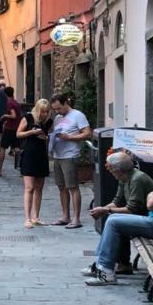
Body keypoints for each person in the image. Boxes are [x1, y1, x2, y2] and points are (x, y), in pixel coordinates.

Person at [89, 151, 153, 275]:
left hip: (151, 220)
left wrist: (106, 210)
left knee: (114, 221)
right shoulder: (124, 178)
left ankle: (105, 269)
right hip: (147, 219)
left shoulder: (137, 179)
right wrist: (103, 209)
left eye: (110, 167)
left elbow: (132, 209)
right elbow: (117, 201)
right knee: (113, 218)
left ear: (118, 169)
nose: (108, 170)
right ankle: (109, 264)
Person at [83, 188, 153, 286]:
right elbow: (152, 198)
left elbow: (151, 203)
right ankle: (100, 264)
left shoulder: (137, 178)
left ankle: (106, 272)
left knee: (113, 223)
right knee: (112, 218)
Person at [50, 93, 92, 228]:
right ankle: (65, 216)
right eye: (55, 109)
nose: (57, 111)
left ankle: (76, 218)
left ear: (65, 103)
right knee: (61, 187)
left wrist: (69, 137)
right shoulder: (58, 118)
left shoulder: (78, 115)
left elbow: (87, 133)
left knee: (73, 187)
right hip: (58, 155)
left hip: (70, 155)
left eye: (59, 108)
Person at [17, 98, 52, 228]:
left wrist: (46, 137)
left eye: (46, 112)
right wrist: (32, 132)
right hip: (29, 155)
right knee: (29, 187)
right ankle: (27, 218)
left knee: (39, 188)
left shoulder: (49, 122)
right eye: (42, 111)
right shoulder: (28, 118)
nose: (44, 114)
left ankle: (36, 216)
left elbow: (49, 136)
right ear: (37, 109)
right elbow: (18, 134)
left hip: (41, 155)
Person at [0, 86, 21, 176]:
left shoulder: (9, 103)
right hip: (16, 127)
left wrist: (5, 116)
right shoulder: (16, 102)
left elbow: (13, 115)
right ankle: (24, 168)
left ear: (5, 94)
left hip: (9, 128)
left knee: (2, 148)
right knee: (17, 148)